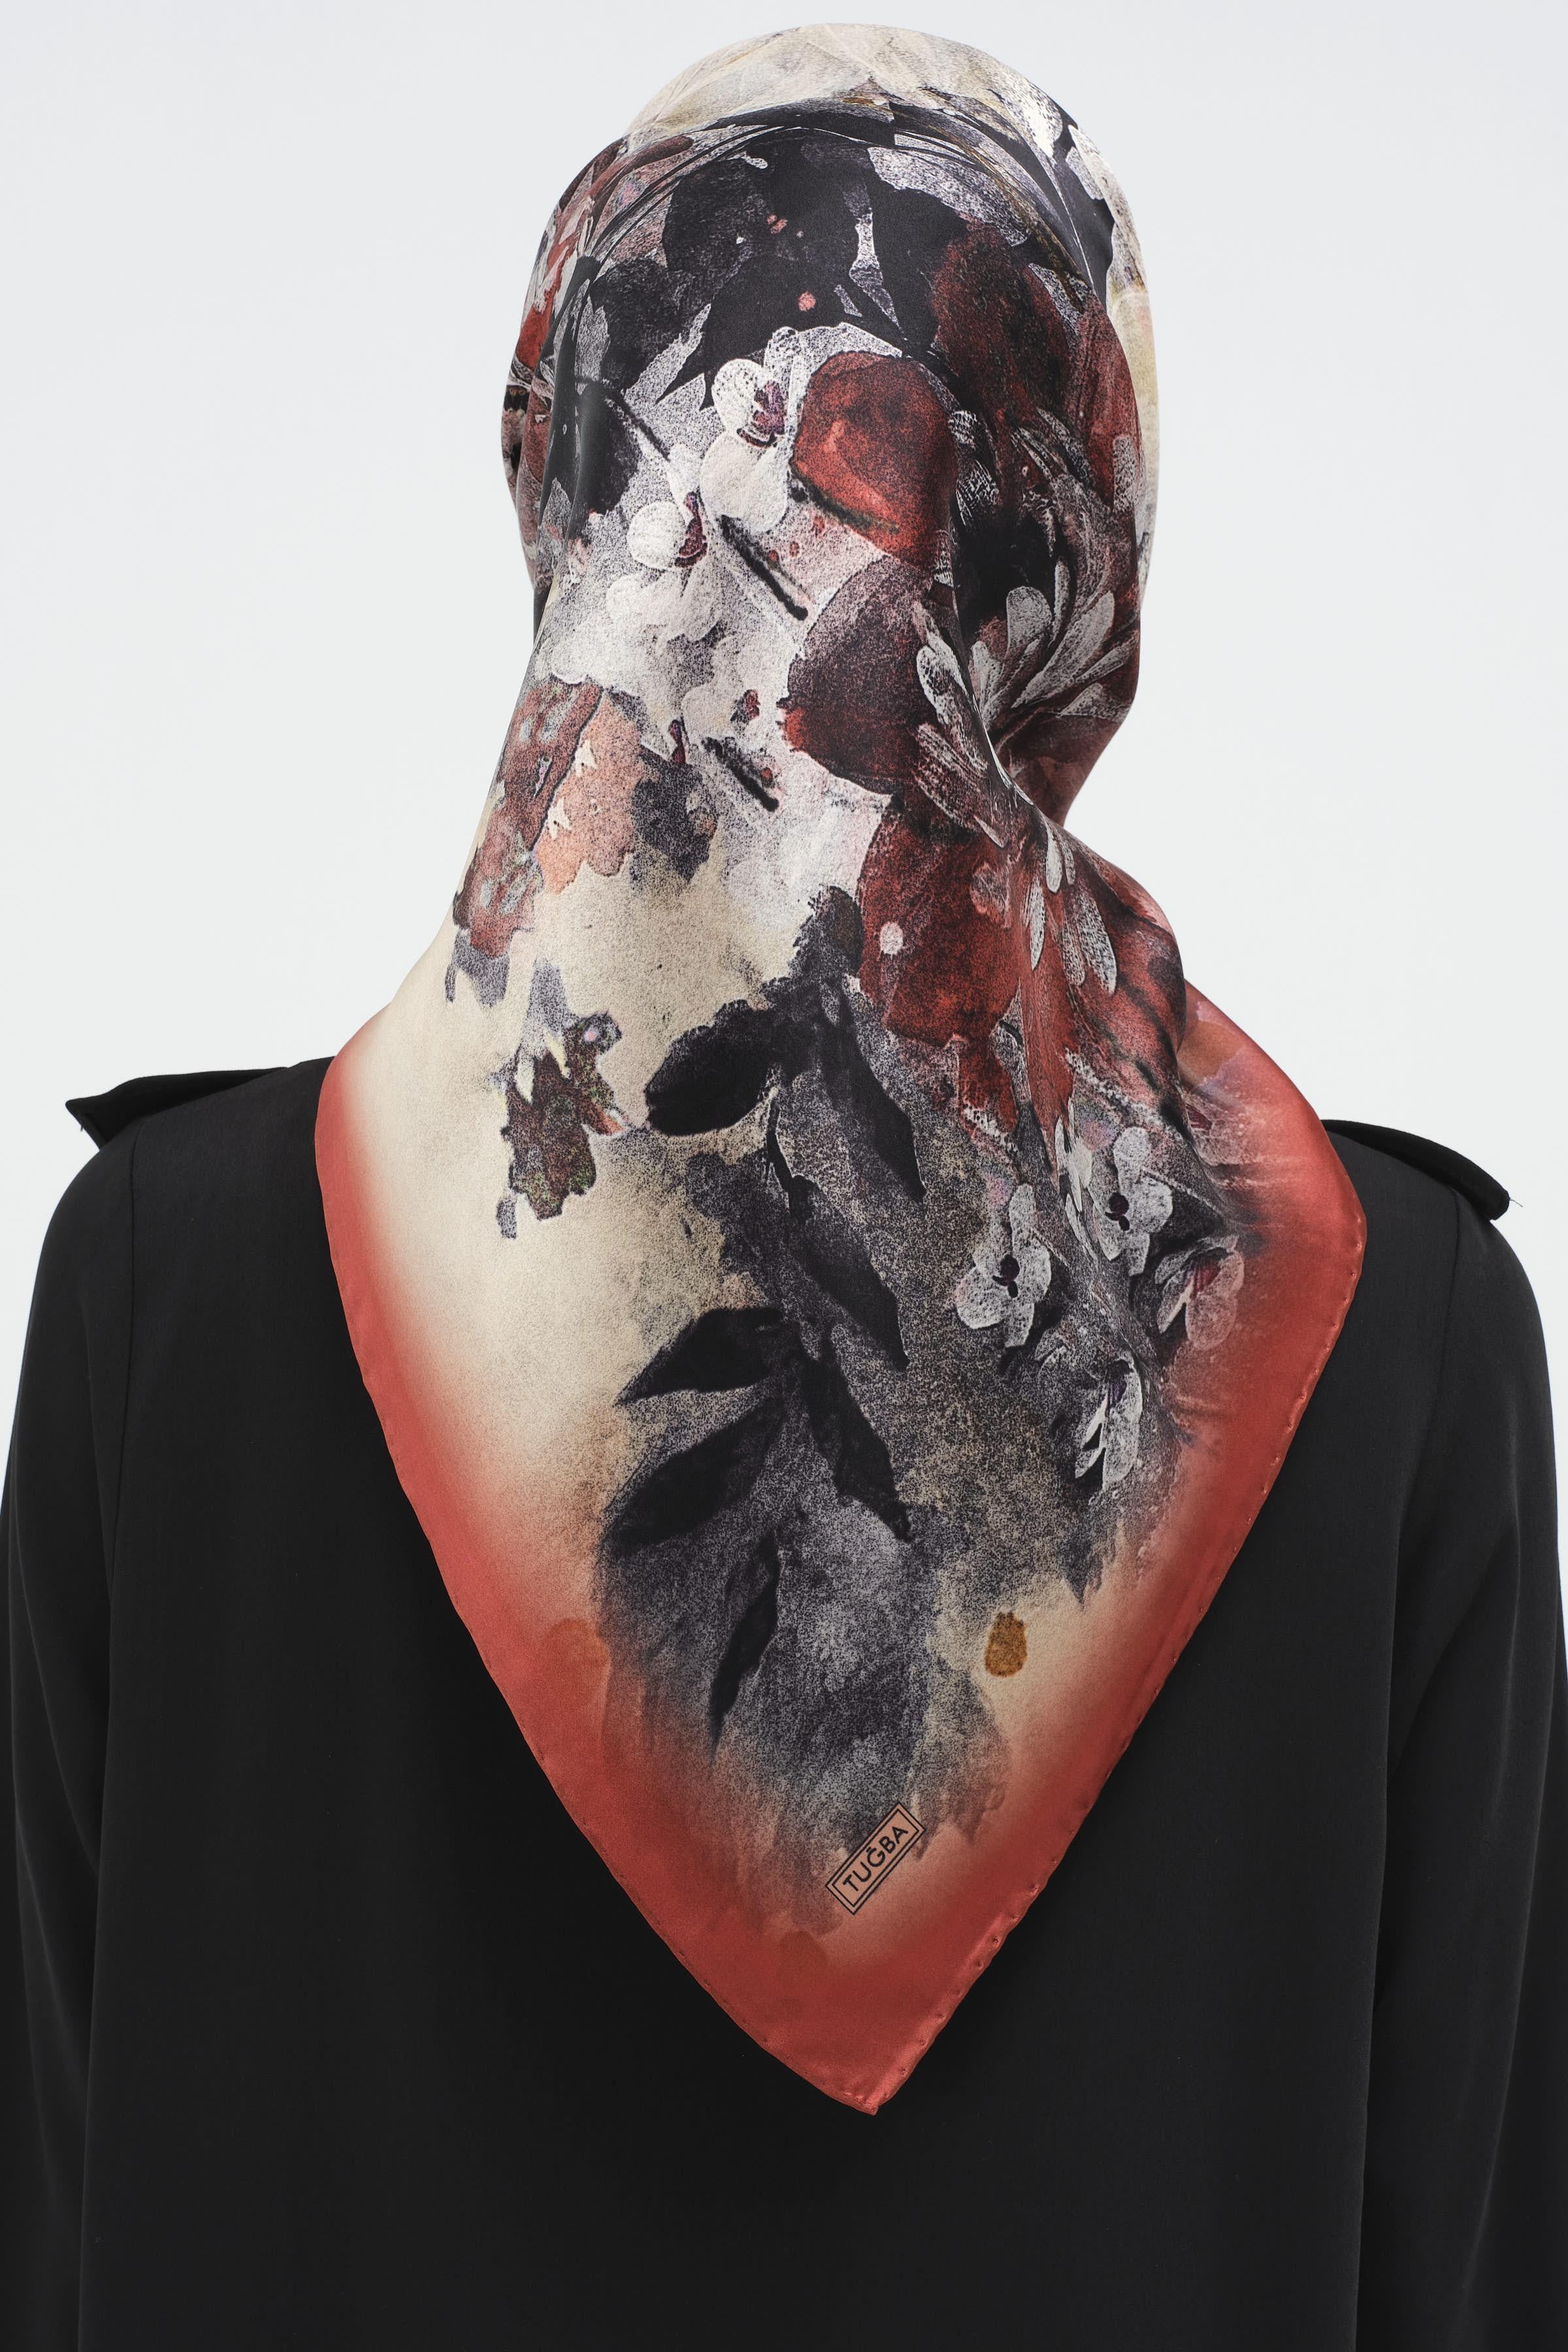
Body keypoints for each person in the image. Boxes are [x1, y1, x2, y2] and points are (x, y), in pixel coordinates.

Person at [5, 25, 1565, 2348]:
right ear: (1064, 530)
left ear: (564, 467)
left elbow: (55, 2222)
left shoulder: (171, 1287)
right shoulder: (1385, 1333)